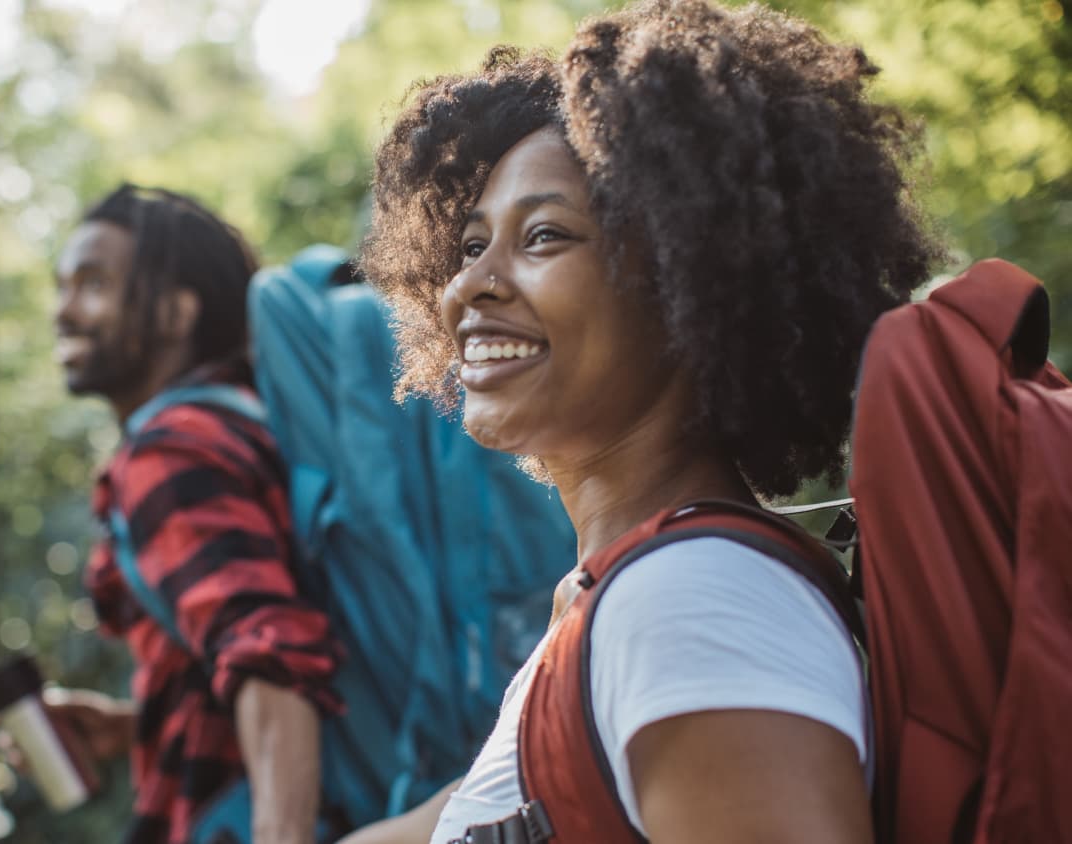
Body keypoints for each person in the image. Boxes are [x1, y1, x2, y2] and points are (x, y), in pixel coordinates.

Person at [347, 1, 942, 841]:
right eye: (471, 244)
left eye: (544, 235)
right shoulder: (614, 600)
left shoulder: (690, 604)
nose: (470, 285)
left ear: (690, 285)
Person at [47, 183, 342, 844]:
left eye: (93, 285)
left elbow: (269, 654)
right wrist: (136, 723)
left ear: (177, 314)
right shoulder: (249, 424)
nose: (63, 310)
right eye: (62, 285)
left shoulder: (171, 451)